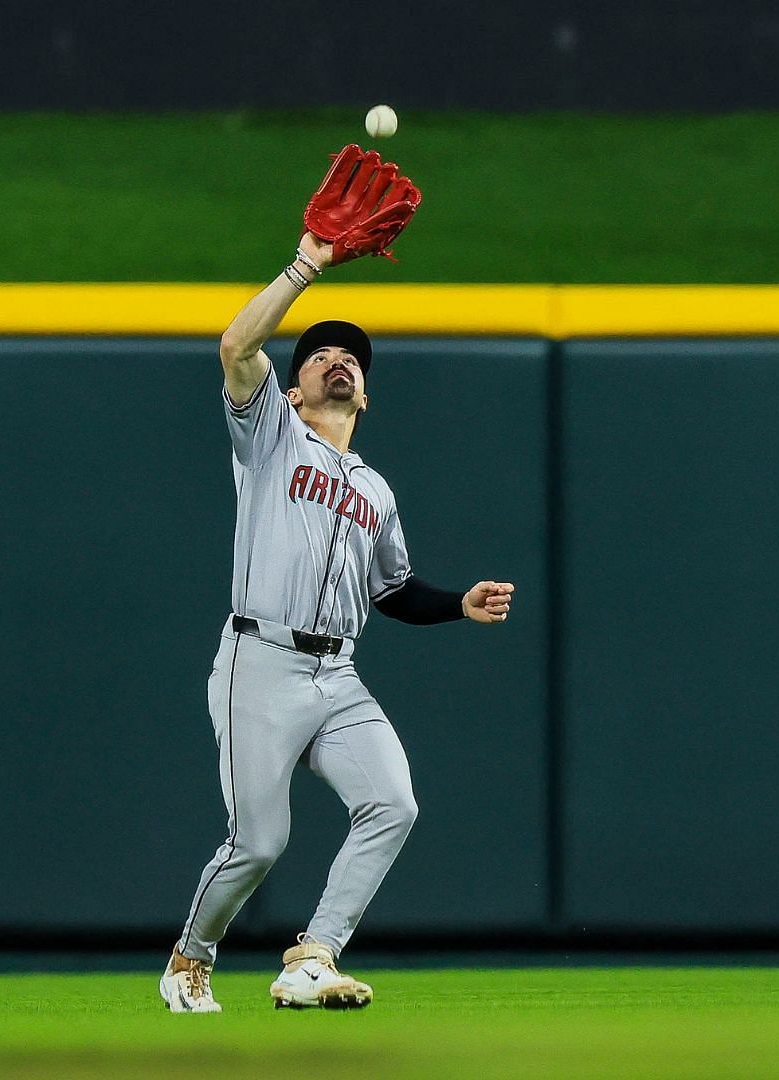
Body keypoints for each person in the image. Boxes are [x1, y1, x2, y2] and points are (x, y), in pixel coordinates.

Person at [158, 217, 516, 1013]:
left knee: (393, 802)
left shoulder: (376, 490)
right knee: (258, 844)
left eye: (351, 355)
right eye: (321, 354)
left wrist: (457, 605)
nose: (339, 359)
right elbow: (233, 346)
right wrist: (304, 266)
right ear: (293, 389)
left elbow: (393, 592)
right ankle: (191, 956)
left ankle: (310, 957)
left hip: (337, 672)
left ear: (367, 390)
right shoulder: (271, 435)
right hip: (261, 660)